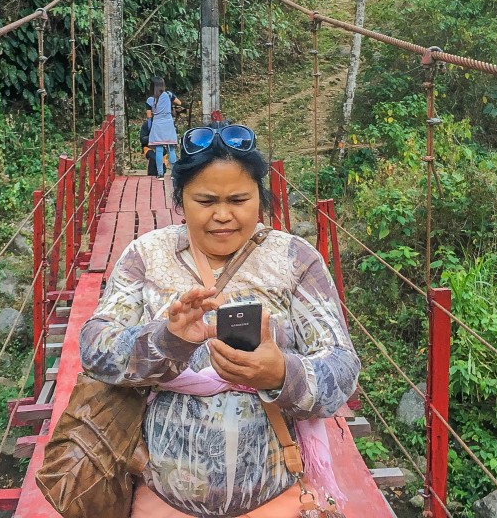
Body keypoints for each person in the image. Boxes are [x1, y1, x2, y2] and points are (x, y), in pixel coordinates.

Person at [79, 123, 360, 518]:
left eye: (239, 199)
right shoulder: (148, 254)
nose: (223, 215)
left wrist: (281, 372)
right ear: (181, 200)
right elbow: (94, 348)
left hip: (275, 498)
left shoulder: (294, 259)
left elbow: (343, 370)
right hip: (163, 499)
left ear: (260, 199)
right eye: (206, 200)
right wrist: (166, 341)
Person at [146, 76, 181, 181]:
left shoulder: (150, 99)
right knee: (171, 149)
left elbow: (148, 116)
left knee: (159, 149)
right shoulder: (169, 95)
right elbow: (179, 103)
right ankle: (173, 174)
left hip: (157, 125)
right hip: (168, 124)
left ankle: (160, 174)